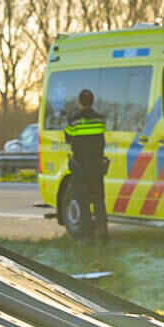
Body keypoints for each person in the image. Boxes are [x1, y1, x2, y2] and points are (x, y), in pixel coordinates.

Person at [62, 88, 109, 242]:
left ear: (79, 102)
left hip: (80, 167)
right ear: (92, 101)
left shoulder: (74, 120)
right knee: (99, 200)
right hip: (97, 165)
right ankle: (102, 233)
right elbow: (100, 138)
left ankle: (87, 235)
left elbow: (68, 138)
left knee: (82, 200)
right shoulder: (100, 120)